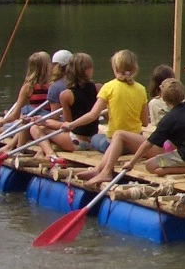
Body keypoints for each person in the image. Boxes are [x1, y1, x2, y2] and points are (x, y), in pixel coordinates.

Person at [63, 49, 149, 185]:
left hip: (114, 145)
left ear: (114, 68)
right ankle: (99, 170)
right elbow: (145, 122)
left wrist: (71, 125)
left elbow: (93, 115)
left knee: (96, 138)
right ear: (134, 68)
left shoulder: (108, 87)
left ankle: (102, 170)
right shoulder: (141, 89)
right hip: (134, 143)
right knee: (111, 138)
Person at [124, 79, 185, 178]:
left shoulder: (169, 119)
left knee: (150, 166)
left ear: (163, 98)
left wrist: (131, 163)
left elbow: (148, 143)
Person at [0, 51, 53, 148]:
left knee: (14, 123)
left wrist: (3, 121)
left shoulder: (29, 87)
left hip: (37, 125)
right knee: (19, 119)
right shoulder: (51, 86)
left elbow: (15, 114)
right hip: (44, 123)